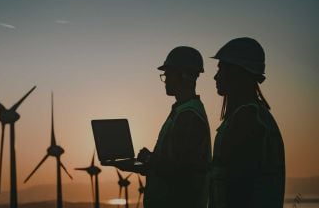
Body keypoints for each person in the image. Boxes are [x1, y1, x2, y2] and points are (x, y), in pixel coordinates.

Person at [115, 46, 211, 208]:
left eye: (168, 74)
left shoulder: (188, 116)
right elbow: (174, 163)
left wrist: (148, 160)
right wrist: (144, 164)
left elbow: (181, 172)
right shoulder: (182, 111)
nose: (165, 79)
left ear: (184, 75)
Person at [210, 37, 285, 208]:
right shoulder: (253, 115)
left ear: (237, 71)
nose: (216, 76)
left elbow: (239, 189)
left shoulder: (247, 119)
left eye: (221, 69)